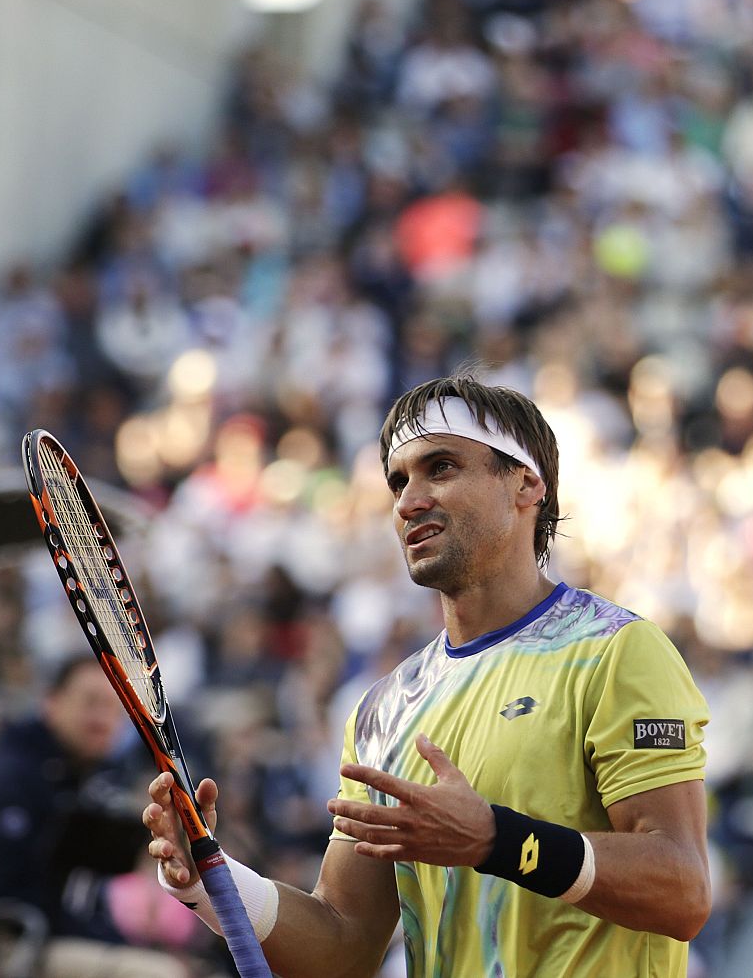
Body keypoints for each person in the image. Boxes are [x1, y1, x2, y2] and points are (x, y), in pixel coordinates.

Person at [144, 374, 712, 976]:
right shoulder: (381, 709)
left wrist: (497, 840)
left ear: (525, 485)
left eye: (440, 468)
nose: (409, 501)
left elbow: (682, 890)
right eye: (398, 481)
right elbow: (343, 944)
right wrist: (212, 879)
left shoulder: (618, 651)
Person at [0, 655, 197, 978]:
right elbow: (10, 896)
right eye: (91, 703)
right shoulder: (9, 779)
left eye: (113, 708)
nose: (102, 718)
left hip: (39, 936)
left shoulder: (76, 780)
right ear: (51, 703)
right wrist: (107, 939)